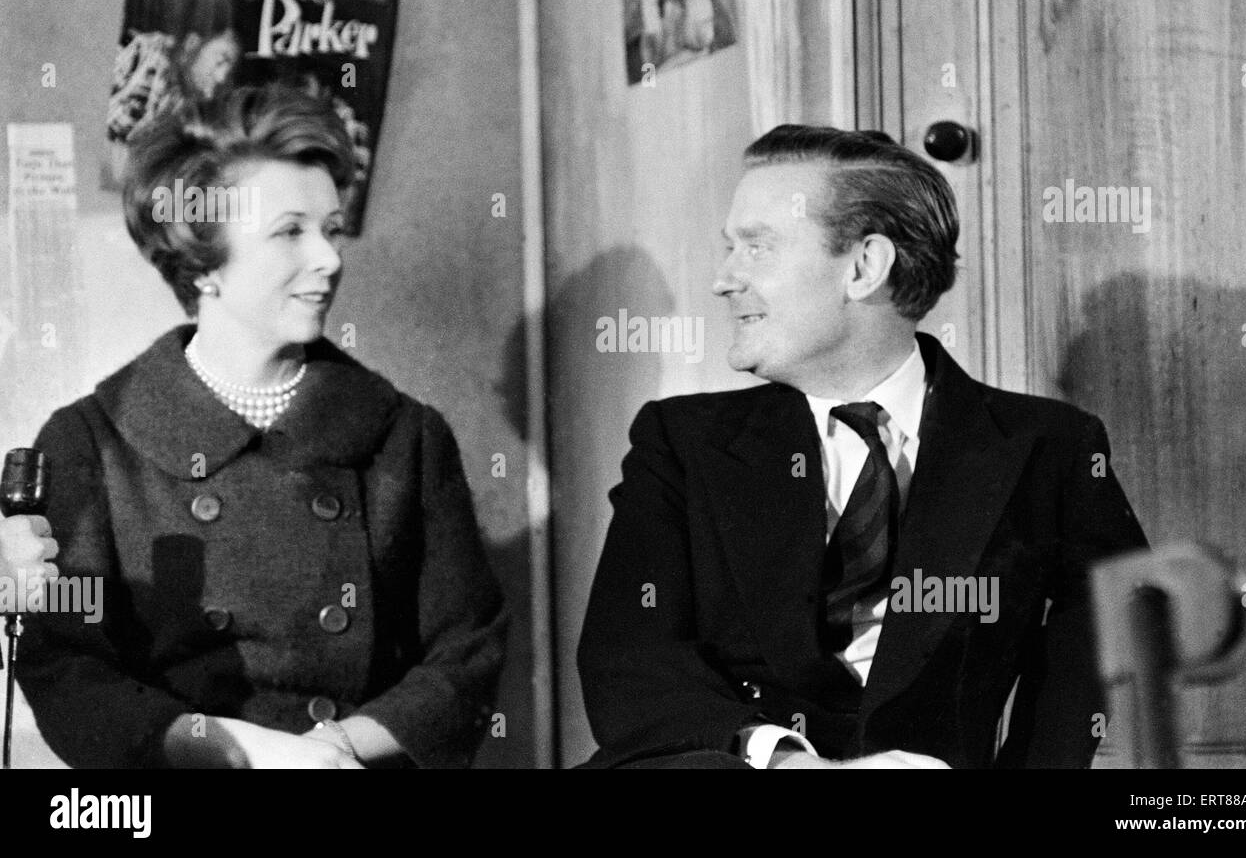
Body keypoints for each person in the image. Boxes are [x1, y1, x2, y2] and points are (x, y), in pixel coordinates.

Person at [577, 125, 1149, 769]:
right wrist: (785, 760)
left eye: (756, 248)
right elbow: (627, 657)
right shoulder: (682, 442)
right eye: (729, 248)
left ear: (863, 267)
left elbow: (1107, 631)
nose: (724, 280)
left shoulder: (1047, 448)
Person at [9, 84, 506, 768]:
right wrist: (240, 750)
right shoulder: (89, 444)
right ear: (201, 259)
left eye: (332, 229)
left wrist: (330, 750)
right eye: (290, 231)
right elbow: (68, 669)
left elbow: (466, 656)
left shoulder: (408, 437)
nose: (330, 259)